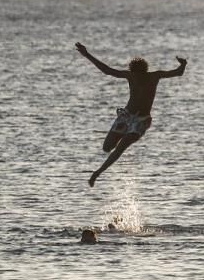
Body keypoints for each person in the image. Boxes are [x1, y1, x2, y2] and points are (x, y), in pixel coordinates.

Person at [75, 43, 186, 187]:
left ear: (144, 72)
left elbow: (178, 73)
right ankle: (106, 160)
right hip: (126, 116)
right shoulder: (130, 76)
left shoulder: (154, 76)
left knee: (122, 146)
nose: (137, 78)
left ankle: (97, 173)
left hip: (142, 120)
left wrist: (183, 65)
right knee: (107, 148)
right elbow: (107, 70)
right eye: (135, 75)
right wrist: (87, 55)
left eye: (139, 76)